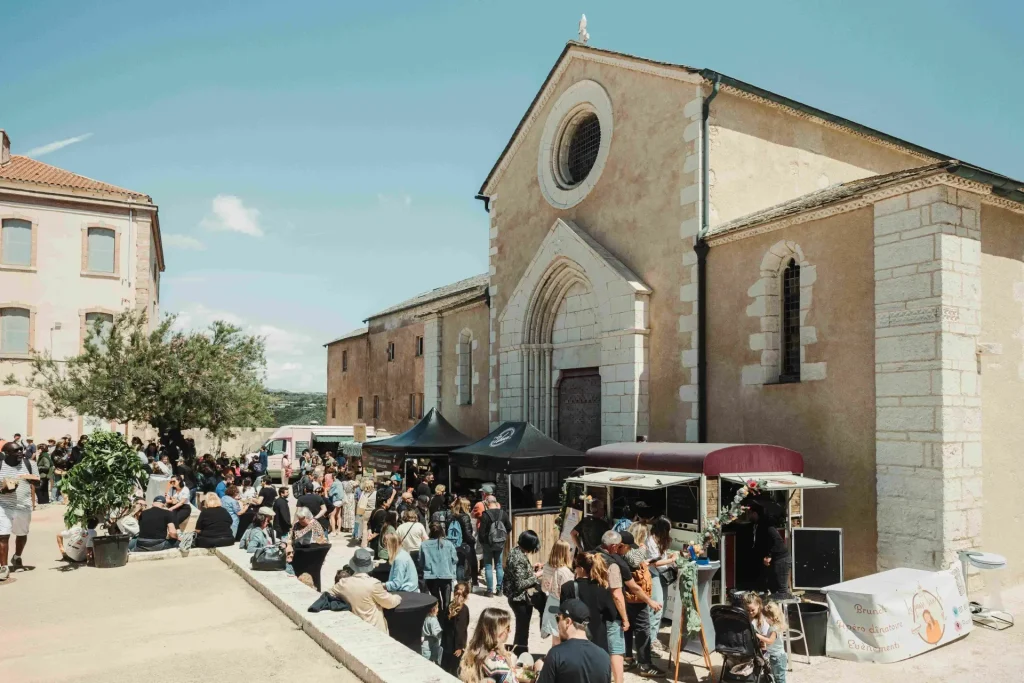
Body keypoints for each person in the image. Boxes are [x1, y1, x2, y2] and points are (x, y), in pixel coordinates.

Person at [535, 599, 612, 683]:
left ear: (568, 622)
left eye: (558, 619)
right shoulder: (604, 657)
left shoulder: (556, 654)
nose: (557, 625)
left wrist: (539, 672)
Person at [328, 548, 401, 633]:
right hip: (375, 629)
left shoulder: (343, 584)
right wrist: (397, 597)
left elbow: (328, 594)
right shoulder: (373, 584)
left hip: (354, 629)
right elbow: (389, 603)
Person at [560, 552, 617, 654]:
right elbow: (612, 615)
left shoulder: (567, 587)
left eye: (575, 567)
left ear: (581, 569)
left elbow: (563, 613)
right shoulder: (603, 588)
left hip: (573, 640)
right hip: (598, 641)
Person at [0, 441, 39, 580]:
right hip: (3, 506)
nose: (20, 452)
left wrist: (34, 481)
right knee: (3, 535)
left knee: (21, 534)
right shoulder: (0, 465)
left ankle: (17, 557)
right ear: (7, 453)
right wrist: (3, 490)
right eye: (16, 451)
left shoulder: (30, 464)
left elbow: (38, 483)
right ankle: (3, 567)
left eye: (21, 450)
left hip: (23, 505)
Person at [503, 530, 544, 655]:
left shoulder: (516, 551)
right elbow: (520, 584)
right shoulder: (519, 558)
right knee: (522, 630)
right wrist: (537, 575)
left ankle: (519, 653)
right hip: (519, 599)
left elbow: (519, 574)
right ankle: (520, 655)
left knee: (522, 629)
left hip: (517, 598)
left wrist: (532, 570)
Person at [623, 541, 657, 676]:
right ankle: (645, 665)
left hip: (629, 598)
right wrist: (642, 548)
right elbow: (635, 562)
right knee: (642, 629)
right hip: (636, 598)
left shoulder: (621, 555)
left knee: (629, 628)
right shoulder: (629, 553)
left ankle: (629, 658)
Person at [459, 607, 516, 683]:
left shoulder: (474, 649)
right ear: (496, 631)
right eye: (507, 628)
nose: (510, 631)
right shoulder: (498, 665)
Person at [747, 499, 791, 595]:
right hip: (774, 560)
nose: (748, 516)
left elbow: (777, 540)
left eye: (749, 513)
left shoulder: (766, 525)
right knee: (773, 587)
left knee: (782, 590)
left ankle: (784, 607)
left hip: (781, 559)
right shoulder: (758, 524)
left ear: (755, 513)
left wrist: (769, 555)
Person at [645, 516, 678, 635]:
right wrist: (671, 560)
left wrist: (667, 557)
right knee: (657, 605)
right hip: (654, 574)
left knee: (662, 605)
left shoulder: (660, 540)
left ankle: (654, 634)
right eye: (669, 529)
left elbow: (660, 558)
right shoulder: (650, 541)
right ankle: (651, 639)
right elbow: (655, 562)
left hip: (662, 574)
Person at [744, 592, 787, 683]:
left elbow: (770, 641)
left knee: (780, 677)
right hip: (774, 656)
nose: (765, 619)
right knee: (776, 676)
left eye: (766, 617)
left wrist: (757, 635)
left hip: (778, 657)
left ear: (772, 617)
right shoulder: (772, 627)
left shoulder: (774, 629)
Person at [540, 539, 575, 645]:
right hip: (562, 604)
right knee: (563, 636)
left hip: (551, 601)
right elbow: (568, 592)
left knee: (555, 637)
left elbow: (544, 588)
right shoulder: (565, 572)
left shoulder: (547, 567)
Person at [421, 520, 459, 612]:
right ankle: (446, 619)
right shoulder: (448, 544)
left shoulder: (424, 544)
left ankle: (439, 618)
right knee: (447, 602)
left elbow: (421, 561)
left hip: (431, 576)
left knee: (435, 601)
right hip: (446, 575)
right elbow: (455, 559)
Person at [477, 495, 511, 597]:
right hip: (500, 543)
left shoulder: (485, 515)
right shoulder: (503, 514)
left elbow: (482, 532)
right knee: (499, 565)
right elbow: (509, 527)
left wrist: (483, 542)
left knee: (488, 566)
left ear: (487, 503)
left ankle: (490, 591)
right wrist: (502, 538)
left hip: (488, 544)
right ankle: (499, 590)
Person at [442, 581, 471, 676]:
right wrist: (459, 647)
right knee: (453, 671)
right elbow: (460, 630)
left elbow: (445, 625)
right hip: (455, 647)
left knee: (445, 668)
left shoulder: (449, 606)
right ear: (466, 596)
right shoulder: (463, 610)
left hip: (446, 643)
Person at [356, 479, 376, 547]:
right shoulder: (375, 493)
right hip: (373, 512)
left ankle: (364, 544)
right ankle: (371, 543)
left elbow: (359, 503)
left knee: (365, 528)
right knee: (372, 528)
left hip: (366, 512)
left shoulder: (363, 493)